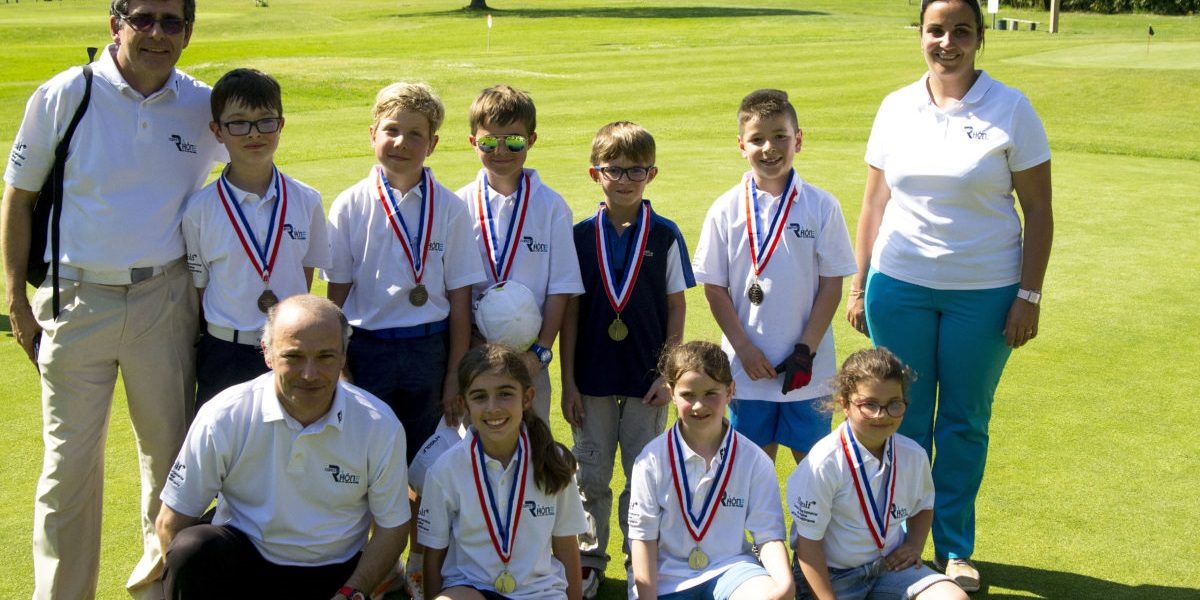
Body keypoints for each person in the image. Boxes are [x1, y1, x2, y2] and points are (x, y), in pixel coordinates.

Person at [1, 0, 225, 596]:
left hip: (167, 299)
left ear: (188, 32)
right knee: (66, 471)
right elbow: (18, 199)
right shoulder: (64, 94)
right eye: (142, 19)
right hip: (75, 299)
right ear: (115, 24)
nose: (156, 33)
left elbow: (251, 168)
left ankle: (155, 590)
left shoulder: (204, 105)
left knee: (170, 468)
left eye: (171, 22)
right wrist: (17, 304)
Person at [844, 0, 1053, 591]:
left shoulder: (1011, 108)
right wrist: (859, 284)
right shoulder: (895, 107)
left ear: (979, 38)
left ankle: (955, 548)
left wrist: (1029, 295)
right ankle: (898, 541)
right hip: (899, 284)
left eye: (961, 31)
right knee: (898, 420)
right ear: (921, 35)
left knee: (963, 422)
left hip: (984, 291)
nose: (947, 42)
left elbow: (1039, 211)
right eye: (936, 30)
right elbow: (872, 205)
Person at [155, 295, 410, 600]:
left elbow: (391, 530)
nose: (309, 374)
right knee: (192, 549)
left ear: (344, 357)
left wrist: (351, 593)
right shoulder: (223, 415)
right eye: (294, 356)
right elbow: (172, 523)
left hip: (335, 572)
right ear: (268, 354)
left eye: (325, 356)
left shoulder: (379, 424)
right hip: (243, 566)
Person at [559, 121, 694, 597]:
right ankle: (590, 560)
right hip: (591, 377)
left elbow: (677, 304)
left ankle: (641, 565)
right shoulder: (577, 236)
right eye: (613, 169)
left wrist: (670, 372)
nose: (624, 179)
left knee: (642, 474)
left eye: (635, 170)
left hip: (648, 379)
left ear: (652, 174)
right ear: (595, 173)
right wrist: (568, 381)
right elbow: (570, 311)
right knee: (590, 473)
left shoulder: (665, 234)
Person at [692, 89, 857, 463]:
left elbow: (832, 283)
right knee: (751, 477)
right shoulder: (725, 209)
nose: (769, 148)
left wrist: (806, 349)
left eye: (780, 136)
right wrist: (745, 349)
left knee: (814, 476)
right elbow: (714, 287)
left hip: (808, 373)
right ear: (741, 145)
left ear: (798, 139)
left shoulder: (822, 205)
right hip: (747, 373)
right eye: (757, 139)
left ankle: (807, 527)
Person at [324, 81, 485, 462]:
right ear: (372, 134)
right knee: (367, 459)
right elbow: (336, 296)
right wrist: (339, 361)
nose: (401, 143)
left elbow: (460, 300)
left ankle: (416, 525)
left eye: (416, 134)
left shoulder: (449, 207)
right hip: (366, 349)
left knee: (423, 464)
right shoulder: (349, 205)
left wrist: (453, 376)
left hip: (429, 350)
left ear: (432, 145)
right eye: (391, 130)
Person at [183, 67, 331, 407]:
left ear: (280, 125)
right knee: (225, 452)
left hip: (290, 351)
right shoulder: (200, 209)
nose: (254, 134)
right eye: (238, 123)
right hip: (224, 351)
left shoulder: (307, 200)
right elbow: (200, 287)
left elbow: (303, 277)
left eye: (265, 121)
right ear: (217, 131)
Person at [786, 348, 967, 600]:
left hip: (888, 569)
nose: (882, 415)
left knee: (953, 597)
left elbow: (923, 506)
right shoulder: (823, 462)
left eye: (894, 404)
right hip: (830, 576)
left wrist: (914, 545)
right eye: (869, 404)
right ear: (844, 404)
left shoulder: (913, 455)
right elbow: (808, 547)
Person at [455, 84, 583, 422]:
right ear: (473, 142)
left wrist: (540, 352)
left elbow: (561, 289)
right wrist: (469, 344)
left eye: (513, 140)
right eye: (488, 141)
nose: (501, 150)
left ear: (532, 140)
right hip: (474, 356)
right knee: (476, 451)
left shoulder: (552, 207)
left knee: (531, 451)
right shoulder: (457, 205)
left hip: (530, 361)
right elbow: (454, 286)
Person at [418, 344, 587, 600]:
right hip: (472, 588)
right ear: (464, 403)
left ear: (527, 398)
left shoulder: (556, 461)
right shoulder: (445, 469)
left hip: (539, 593)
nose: (492, 408)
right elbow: (434, 553)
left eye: (505, 394)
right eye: (479, 396)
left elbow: (566, 545)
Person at [628, 341, 793, 600]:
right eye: (687, 395)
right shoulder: (650, 460)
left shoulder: (754, 459)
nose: (698, 405)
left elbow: (768, 534)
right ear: (671, 393)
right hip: (667, 577)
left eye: (710, 393)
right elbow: (642, 539)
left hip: (732, 569)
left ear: (730, 390)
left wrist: (784, 584)